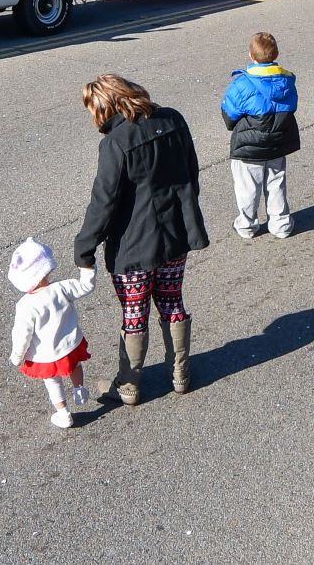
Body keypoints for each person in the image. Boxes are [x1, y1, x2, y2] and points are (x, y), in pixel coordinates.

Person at [74, 75, 209, 406]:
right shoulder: (173, 119)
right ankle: (180, 374)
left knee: (134, 314)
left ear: (107, 106)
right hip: (176, 234)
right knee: (172, 300)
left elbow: (104, 203)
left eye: (94, 110)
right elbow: (192, 172)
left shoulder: (116, 143)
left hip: (134, 245)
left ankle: (130, 385)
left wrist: (84, 248)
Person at [220, 32, 302, 241]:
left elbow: (229, 115)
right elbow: (291, 107)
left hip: (250, 145)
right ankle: (281, 224)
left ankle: (247, 225)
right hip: (278, 141)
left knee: (247, 186)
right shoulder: (287, 80)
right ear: (276, 54)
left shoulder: (242, 84)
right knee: (276, 183)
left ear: (251, 55)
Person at [6, 237, 95, 429]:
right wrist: (87, 266)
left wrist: (17, 357)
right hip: (70, 345)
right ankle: (80, 389)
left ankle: (63, 413)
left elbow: (22, 335)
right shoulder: (61, 288)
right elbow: (86, 286)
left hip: (46, 355)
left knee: (52, 381)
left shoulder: (25, 306)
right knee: (75, 366)